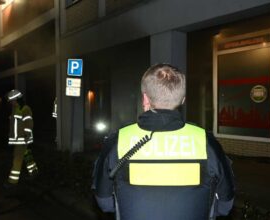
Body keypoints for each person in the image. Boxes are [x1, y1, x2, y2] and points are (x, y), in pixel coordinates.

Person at [92, 64, 235, 220]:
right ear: (183, 99)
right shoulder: (206, 142)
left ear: (145, 99)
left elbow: (105, 203)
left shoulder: (117, 141)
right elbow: (225, 205)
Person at [5, 89, 38, 187]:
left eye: (12, 100)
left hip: (22, 139)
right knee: (27, 155)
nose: (11, 102)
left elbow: (29, 122)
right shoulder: (17, 109)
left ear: (17, 99)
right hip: (19, 139)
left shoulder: (25, 108)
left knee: (17, 160)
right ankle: (34, 172)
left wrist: (26, 135)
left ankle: (12, 182)